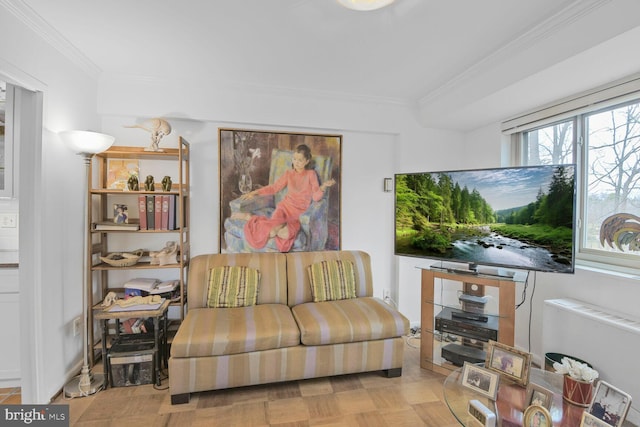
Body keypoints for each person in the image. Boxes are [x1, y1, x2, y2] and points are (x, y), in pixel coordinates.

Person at [234, 144, 335, 252]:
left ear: (307, 161)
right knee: (272, 232)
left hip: (298, 213)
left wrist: (323, 187)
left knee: (284, 234)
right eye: (294, 159)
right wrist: (255, 192)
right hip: (283, 208)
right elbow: (274, 188)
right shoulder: (289, 173)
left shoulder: (311, 174)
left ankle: (256, 220)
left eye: (300, 160)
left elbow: (315, 197)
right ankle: (250, 217)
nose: (296, 162)